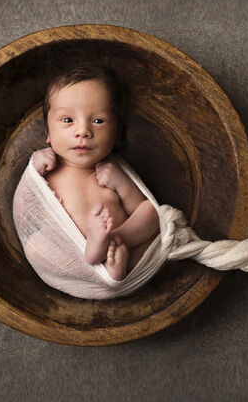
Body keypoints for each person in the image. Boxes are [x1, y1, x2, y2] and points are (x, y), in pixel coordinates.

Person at [30, 65, 159, 281]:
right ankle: (95, 260)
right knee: (35, 245)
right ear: (48, 133)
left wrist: (122, 186)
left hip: (119, 249)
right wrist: (34, 166)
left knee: (154, 213)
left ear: (117, 134)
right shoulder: (45, 169)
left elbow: (145, 211)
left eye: (98, 121)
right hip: (70, 255)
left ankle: (111, 247)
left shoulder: (111, 172)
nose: (83, 131)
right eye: (68, 120)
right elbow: (29, 205)